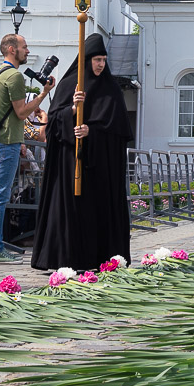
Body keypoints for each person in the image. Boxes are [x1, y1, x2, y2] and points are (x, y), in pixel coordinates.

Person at [32, 33, 134, 271]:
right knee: (72, 212)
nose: (100, 64)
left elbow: (119, 132)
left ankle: (103, 258)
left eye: (103, 60)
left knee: (98, 213)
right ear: (86, 60)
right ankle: (68, 258)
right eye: (96, 59)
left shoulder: (112, 90)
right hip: (71, 165)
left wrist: (92, 132)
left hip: (100, 168)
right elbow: (54, 123)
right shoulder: (70, 85)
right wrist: (72, 110)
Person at [0, 33, 55, 264]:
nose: (27, 51)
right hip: (7, 141)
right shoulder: (14, 76)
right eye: (24, 47)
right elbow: (22, 113)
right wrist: (43, 94)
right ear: (11, 49)